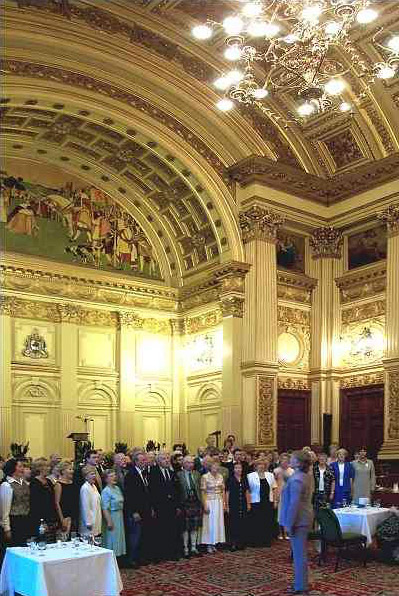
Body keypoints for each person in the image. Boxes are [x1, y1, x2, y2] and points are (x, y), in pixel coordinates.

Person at [280, 450, 313, 595]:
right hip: (303, 517)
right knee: (300, 554)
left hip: (298, 520)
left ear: (298, 463)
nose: (290, 460)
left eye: (292, 458)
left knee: (299, 555)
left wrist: (288, 523)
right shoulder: (304, 476)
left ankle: (301, 587)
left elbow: (294, 504)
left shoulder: (297, 479)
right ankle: (300, 583)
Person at [149, 451, 181, 561]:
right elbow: (151, 492)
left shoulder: (172, 473)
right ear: (158, 461)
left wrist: (177, 506)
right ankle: (161, 554)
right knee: (161, 530)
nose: (167, 460)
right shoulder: (153, 473)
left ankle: (171, 552)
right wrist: (153, 507)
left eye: (168, 458)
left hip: (171, 507)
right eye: (164, 458)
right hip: (159, 507)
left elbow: (177, 491)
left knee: (172, 529)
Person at [124, 451, 152, 567]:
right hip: (135, 511)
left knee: (143, 535)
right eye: (142, 461)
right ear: (136, 462)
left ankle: (140, 557)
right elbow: (129, 496)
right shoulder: (131, 475)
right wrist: (134, 512)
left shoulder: (144, 473)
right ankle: (132, 559)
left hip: (145, 509)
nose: (144, 462)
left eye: (145, 460)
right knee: (135, 536)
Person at [247, 458, 277, 547]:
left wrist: (275, 501)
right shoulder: (250, 476)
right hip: (255, 502)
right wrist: (248, 502)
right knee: (256, 522)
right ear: (255, 466)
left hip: (268, 502)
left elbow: (274, 488)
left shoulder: (270, 475)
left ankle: (266, 541)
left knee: (267, 521)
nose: (261, 466)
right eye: (259, 464)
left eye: (263, 464)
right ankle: (256, 541)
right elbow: (247, 490)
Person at [0, 458, 30, 546]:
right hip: (14, 521)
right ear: (13, 469)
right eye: (20, 467)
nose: (23, 469)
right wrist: (7, 528)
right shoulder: (6, 485)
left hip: (25, 519)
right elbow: (4, 510)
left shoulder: (24, 483)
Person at [176, 455, 202, 557]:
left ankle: (194, 548)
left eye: (192, 463)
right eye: (188, 462)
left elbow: (200, 489)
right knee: (185, 527)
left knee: (194, 527)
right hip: (184, 503)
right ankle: (185, 548)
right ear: (183, 463)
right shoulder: (179, 474)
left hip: (195, 502)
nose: (190, 465)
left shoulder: (197, 474)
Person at [29, 458, 58, 542]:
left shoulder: (49, 481)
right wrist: (42, 521)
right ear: (40, 468)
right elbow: (35, 504)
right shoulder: (34, 483)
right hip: (41, 519)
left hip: (51, 518)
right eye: (47, 466)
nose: (49, 468)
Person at [200, 460, 226, 553]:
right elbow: (203, 492)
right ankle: (209, 544)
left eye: (217, 466)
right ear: (210, 467)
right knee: (209, 523)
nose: (216, 468)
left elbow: (223, 490)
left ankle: (215, 543)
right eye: (214, 466)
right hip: (209, 501)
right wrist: (205, 504)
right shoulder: (205, 477)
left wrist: (224, 503)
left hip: (218, 501)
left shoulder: (220, 476)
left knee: (217, 522)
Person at [101, 469, 126, 559]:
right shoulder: (106, 491)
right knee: (112, 538)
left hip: (119, 515)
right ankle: (111, 559)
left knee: (119, 538)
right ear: (106, 479)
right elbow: (105, 507)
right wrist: (109, 521)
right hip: (112, 516)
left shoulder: (117, 488)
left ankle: (119, 558)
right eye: (111, 476)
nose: (114, 477)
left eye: (114, 475)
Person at [225, 461, 250, 550]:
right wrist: (227, 505)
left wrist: (248, 504)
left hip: (242, 503)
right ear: (233, 469)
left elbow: (247, 492)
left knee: (242, 523)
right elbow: (227, 493)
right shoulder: (230, 479)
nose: (238, 470)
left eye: (240, 468)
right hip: (233, 504)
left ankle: (241, 542)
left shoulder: (244, 479)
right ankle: (233, 543)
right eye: (236, 468)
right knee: (233, 523)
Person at [54, 460, 79, 537]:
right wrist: (62, 520)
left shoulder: (73, 483)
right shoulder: (58, 485)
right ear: (63, 471)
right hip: (65, 517)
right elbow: (57, 503)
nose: (72, 471)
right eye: (70, 469)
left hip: (74, 516)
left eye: (72, 469)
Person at [274, 452, 294, 540]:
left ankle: (287, 532)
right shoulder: (276, 470)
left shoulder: (292, 471)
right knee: (280, 513)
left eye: (286, 460)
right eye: (283, 460)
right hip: (279, 493)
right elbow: (274, 484)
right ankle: (280, 533)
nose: (284, 462)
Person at [79, 465, 102, 538]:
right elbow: (85, 506)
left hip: (96, 520)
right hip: (89, 525)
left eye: (94, 473)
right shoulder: (85, 488)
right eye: (92, 474)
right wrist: (88, 522)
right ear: (86, 476)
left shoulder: (94, 486)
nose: (94, 476)